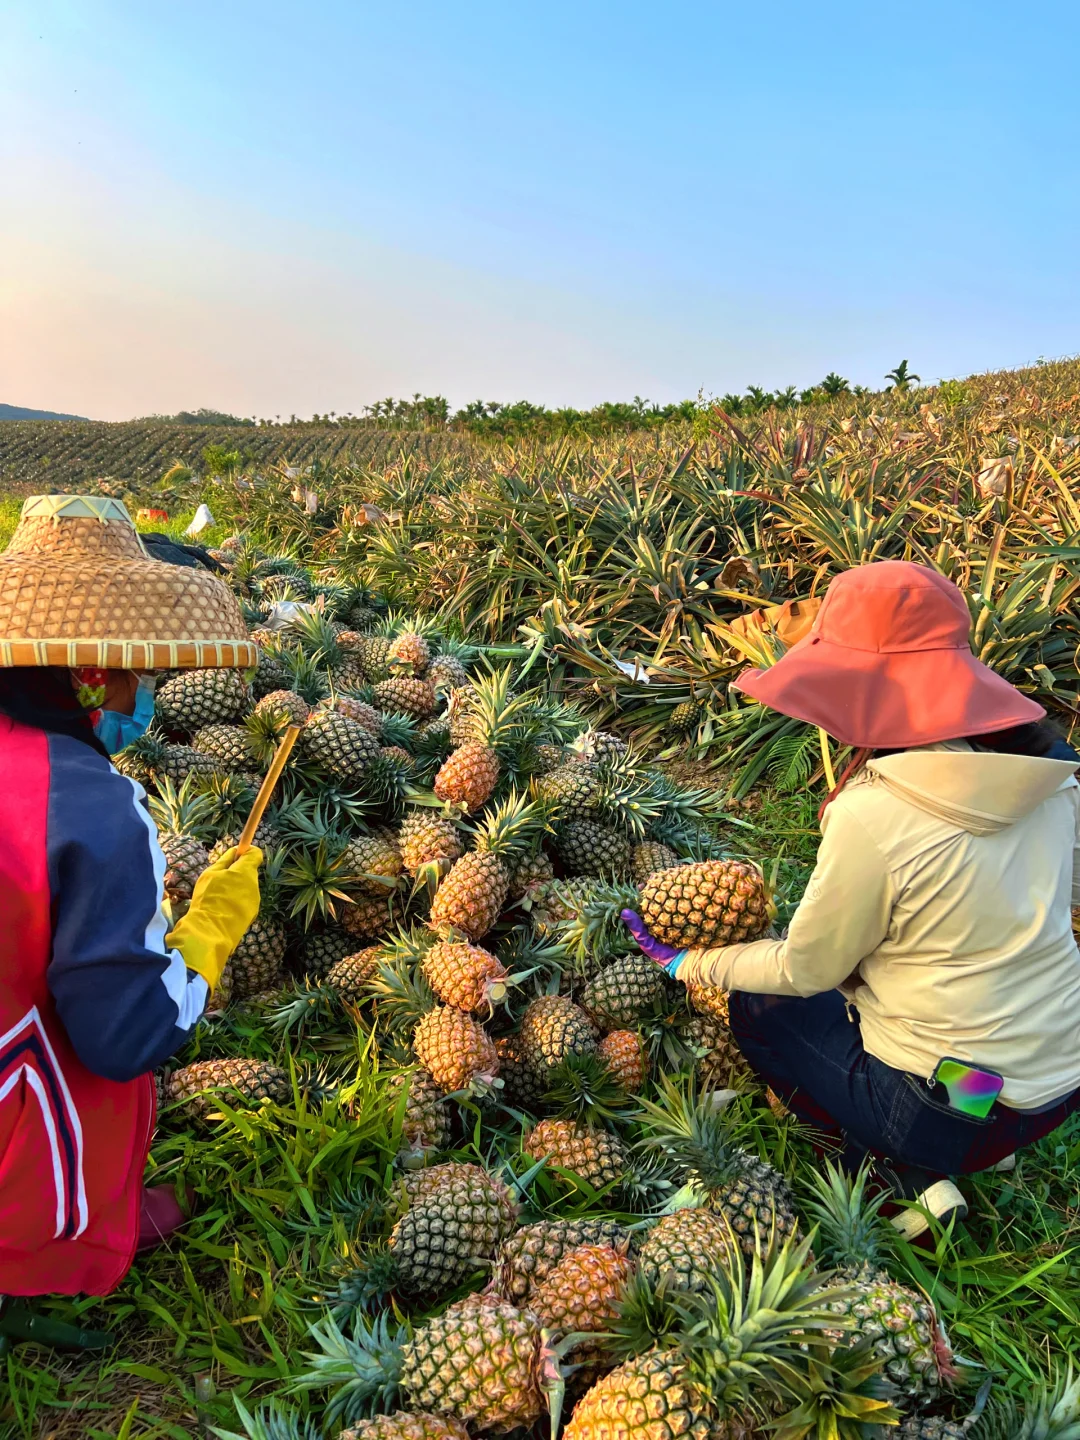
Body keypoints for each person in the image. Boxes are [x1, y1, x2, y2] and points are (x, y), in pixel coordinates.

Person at [625, 560, 1080, 1236]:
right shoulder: (1051, 779)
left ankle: (902, 1178)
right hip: (1049, 1091)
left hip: (938, 1110)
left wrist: (689, 966)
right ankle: (989, 1143)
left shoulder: (875, 812)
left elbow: (807, 970)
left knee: (765, 1007)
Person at [0, 494, 262, 1296]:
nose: (143, 693)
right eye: (137, 672)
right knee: (98, 1065)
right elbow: (126, 1034)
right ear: (90, 670)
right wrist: (211, 929)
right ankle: (62, 1234)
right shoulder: (89, 805)